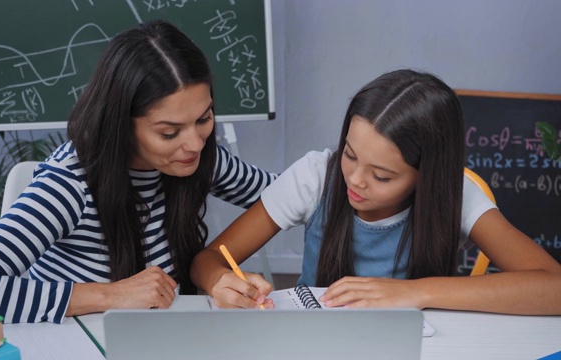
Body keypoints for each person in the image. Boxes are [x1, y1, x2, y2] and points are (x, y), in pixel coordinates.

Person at [0, 20, 277, 324]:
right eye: (169, 132)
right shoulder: (71, 182)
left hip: (162, 335)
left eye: (204, 119)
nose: (194, 144)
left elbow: (288, 194)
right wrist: (111, 295)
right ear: (122, 125)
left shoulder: (199, 156)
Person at [191, 69, 561, 315]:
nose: (355, 180)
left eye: (382, 176)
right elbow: (208, 259)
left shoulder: (455, 194)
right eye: (349, 155)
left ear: (426, 177)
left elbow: (553, 286)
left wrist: (416, 293)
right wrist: (219, 282)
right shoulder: (316, 176)